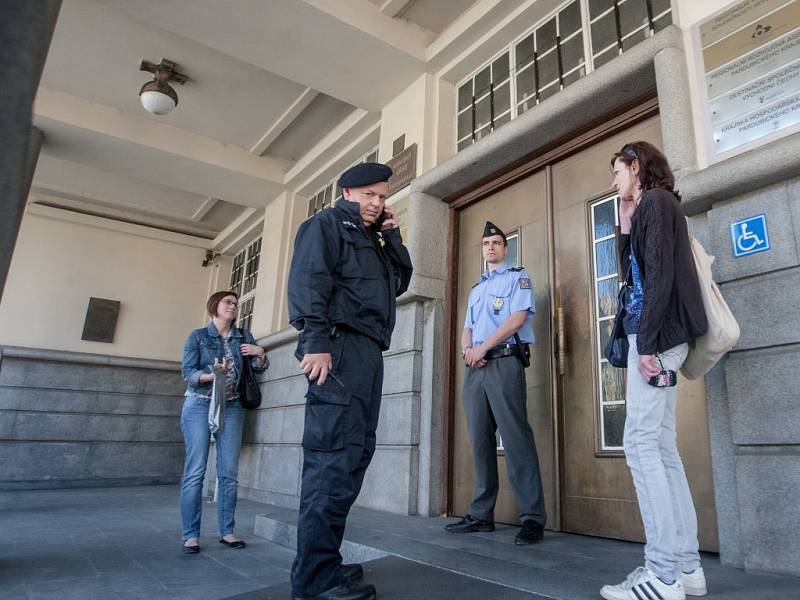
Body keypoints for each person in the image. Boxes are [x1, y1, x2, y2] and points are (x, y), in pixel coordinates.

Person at [287, 162, 413, 600]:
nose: (376, 203)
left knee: (353, 456)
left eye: (381, 197)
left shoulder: (372, 237)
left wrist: (392, 236)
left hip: (365, 352)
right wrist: (316, 341)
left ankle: (325, 562)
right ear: (347, 192)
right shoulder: (324, 225)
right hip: (336, 350)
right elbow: (309, 281)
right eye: (369, 196)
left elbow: (400, 282)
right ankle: (314, 581)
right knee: (331, 458)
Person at [601, 142, 708, 600]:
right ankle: (687, 569)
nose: (614, 182)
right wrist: (625, 226)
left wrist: (645, 344)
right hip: (663, 340)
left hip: (657, 342)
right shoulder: (651, 209)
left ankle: (662, 575)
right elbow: (638, 274)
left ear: (636, 166)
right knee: (663, 449)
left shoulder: (658, 202)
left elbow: (659, 276)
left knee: (641, 446)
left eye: (618, 172)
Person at [444, 221, 546, 545]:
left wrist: (483, 348)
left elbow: (517, 320)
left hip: (504, 362)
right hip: (476, 367)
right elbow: (467, 328)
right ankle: (481, 514)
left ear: (505, 248)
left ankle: (532, 518)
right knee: (480, 440)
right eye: (486, 243)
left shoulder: (518, 277)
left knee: (515, 438)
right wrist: (467, 351)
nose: (491, 247)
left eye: (497, 242)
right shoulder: (476, 290)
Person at [179, 290, 268, 554]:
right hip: (199, 404)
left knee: (228, 472)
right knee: (195, 472)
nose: (233, 306)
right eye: (228, 302)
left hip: (233, 406)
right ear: (214, 305)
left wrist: (260, 352)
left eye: (236, 304)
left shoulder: (244, 336)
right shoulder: (198, 337)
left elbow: (259, 368)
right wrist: (211, 375)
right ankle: (190, 535)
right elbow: (188, 373)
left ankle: (227, 531)